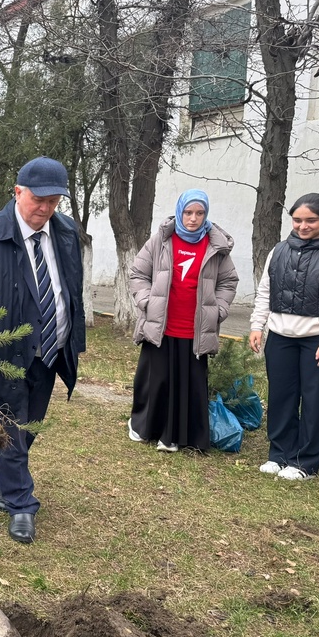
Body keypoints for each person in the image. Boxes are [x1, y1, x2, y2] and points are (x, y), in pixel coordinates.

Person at [0, 157, 85, 544]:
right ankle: (21, 504)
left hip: (50, 348)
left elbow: (68, 287)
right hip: (3, 355)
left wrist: (73, 336)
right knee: (13, 428)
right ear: (18, 192)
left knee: (28, 428)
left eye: (54, 201)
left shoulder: (64, 232)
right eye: (38, 199)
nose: (45, 208)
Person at [249, 193, 319, 480]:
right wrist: (257, 325)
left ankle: (305, 462)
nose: (303, 226)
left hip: (318, 340)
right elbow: (265, 291)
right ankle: (279, 453)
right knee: (281, 397)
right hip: (280, 337)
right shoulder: (279, 250)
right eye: (297, 220)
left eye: (311, 220)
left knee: (316, 401)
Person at [128, 190, 239, 453]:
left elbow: (228, 281)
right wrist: (147, 302)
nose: (193, 219)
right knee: (156, 381)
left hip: (195, 330)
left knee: (190, 385)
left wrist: (218, 310)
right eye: (188, 213)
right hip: (162, 326)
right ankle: (147, 429)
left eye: (199, 213)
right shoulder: (161, 240)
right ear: (179, 212)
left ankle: (181, 436)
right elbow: (138, 273)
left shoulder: (216, 245)